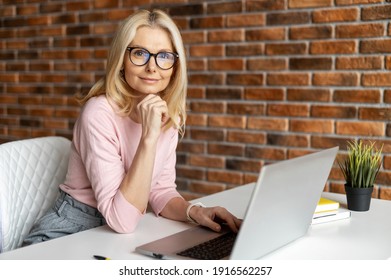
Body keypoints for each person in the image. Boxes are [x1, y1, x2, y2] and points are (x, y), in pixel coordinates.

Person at [23, 9, 241, 246]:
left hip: (114, 236)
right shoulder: (98, 113)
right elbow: (122, 220)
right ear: (121, 60)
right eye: (140, 53)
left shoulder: (166, 116)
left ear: (176, 66)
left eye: (165, 56)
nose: (152, 67)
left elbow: (160, 191)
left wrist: (194, 212)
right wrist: (149, 137)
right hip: (67, 234)